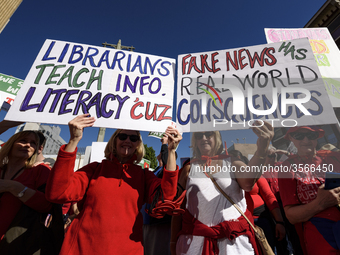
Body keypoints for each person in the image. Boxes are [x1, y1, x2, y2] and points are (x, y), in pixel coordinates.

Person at [45, 114, 182, 255]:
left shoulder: (143, 175)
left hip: (127, 249)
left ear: (138, 145)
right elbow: (57, 193)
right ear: (114, 141)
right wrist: (73, 140)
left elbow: (165, 198)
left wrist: (171, 151)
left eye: (133, 138)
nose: (128, 140)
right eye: (123, 136)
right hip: (83, 247)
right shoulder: (94, 169)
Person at [171, 121, 274, 255]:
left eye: (208, 134)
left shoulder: (232, 162)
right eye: (199, 136)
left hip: (234, 244)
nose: (204, 138)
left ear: (217, 137)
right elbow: (178, 209)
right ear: (195, 141)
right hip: (195, 243)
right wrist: (173, 241)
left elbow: (248, 183)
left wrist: (262, 149)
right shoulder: (188, 168)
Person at [279, 126, 340, 255]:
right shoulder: (287, 167)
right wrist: (320, 203)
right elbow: (291, 216)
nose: (306, 140)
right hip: (320, 232)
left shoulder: (333, 158)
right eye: (300, 136)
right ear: (291, 138)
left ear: (317, 137)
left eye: (311, 135)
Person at [0, 130, 60, 254]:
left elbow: (46, 204)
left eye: (33, 143)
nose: (28, 145)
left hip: (15, 243)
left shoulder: (40, 171)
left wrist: (14, 187)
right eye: (23, 141)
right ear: (10, 144)